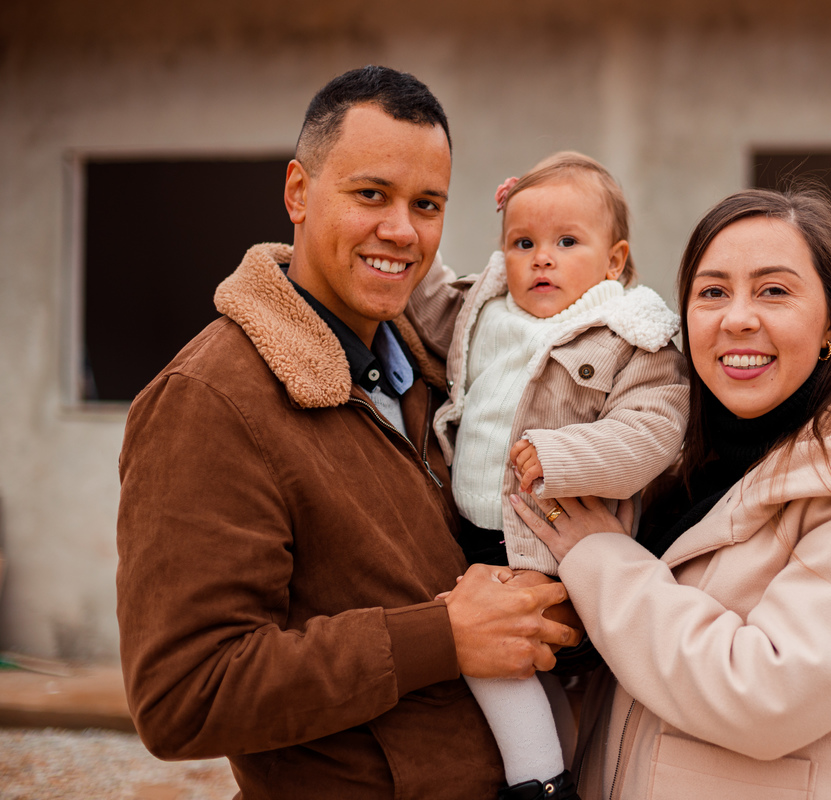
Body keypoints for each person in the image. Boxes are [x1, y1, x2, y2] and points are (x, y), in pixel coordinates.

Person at [116, 66, 581, 800]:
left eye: (426, 204)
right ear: (298, 194)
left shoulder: (440, 368)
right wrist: (443, 637)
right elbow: (185, 697)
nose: (401, 230)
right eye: (371, 195)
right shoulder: (208, 400)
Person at [512, 187, 831, 799]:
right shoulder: (684, 471)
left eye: (774, 290)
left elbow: (766, 696)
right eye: (712, 292)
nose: (737, 318)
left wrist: (601, 560)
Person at [405, 151, 688, 800]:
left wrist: (565, 457)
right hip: (472, 532)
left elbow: (652, 433)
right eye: (522, 242)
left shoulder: (629, 334)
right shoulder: (486, 310)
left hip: (551, 542)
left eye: (566, 242)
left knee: (496, 659)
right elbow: (420, 298)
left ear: (614, 261)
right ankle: (562, 772)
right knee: (528, 670)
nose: (541, 258)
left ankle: (538, 783)